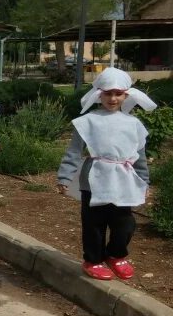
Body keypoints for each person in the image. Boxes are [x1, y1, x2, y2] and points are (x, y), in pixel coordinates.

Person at [56, 67, 156, 281]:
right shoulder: (88, 122)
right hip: (94, 180)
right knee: (94, 224)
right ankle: (93, 259)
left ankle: (116, 254)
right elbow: (74, 151)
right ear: (98, 94)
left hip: (123, 179)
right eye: (108, 93)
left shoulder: (133, 124)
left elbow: (139, 156)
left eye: (117, 93)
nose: (112, 98)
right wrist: (65, 176)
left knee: (125, 223)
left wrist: (144, 182)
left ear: (126, 95)